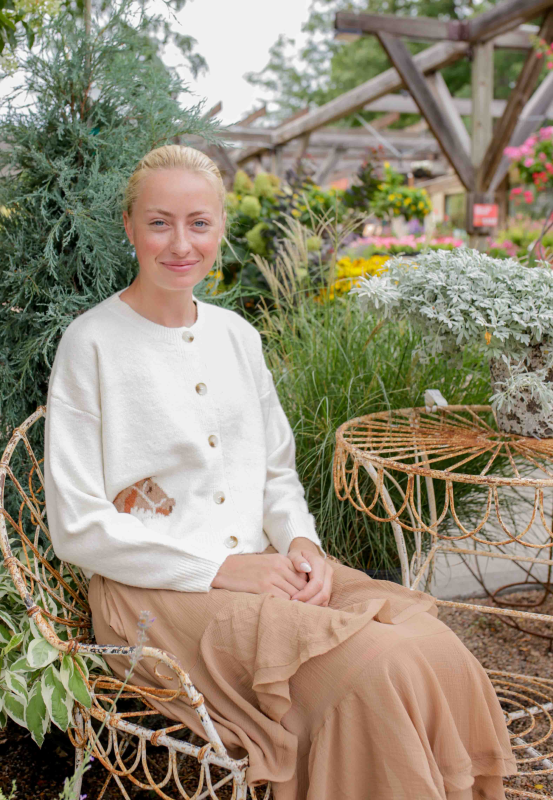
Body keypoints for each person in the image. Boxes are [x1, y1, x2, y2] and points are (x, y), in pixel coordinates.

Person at [42, 144, 518, 799]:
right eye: (158, 223)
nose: (180, 243)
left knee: (433, 646)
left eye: (199, 223)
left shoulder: (238, 336)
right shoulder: (91, 342)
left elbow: (275, 473)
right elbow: (76, 527)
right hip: (153, 595)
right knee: (376, 668)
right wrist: (225, 569)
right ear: (129, 227)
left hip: (267, 567)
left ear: (221, 228)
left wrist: (302, 544)